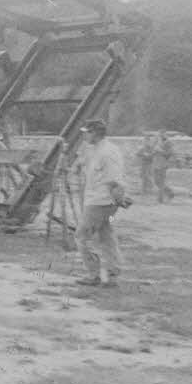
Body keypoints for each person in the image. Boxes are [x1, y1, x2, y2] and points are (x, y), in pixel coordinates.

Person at [73, 119, 129, 287]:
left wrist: (119, 200)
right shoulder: (96, 149)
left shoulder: (107, 152)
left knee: (82, 236)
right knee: (106, 235)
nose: (84, 136)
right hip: (100, 201)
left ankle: (94, 274)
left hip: (101, 203)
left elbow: (114, 180)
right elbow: (84, 162)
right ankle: (112, 272)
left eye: (87, 133)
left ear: (95, 133)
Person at [151, 131, 175, 202]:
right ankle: (170, 192)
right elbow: (153, 152)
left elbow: (169, 154)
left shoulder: (169, 143)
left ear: (165, 135)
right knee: (156, 181)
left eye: (162, 134)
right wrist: (154, 151)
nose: (160, 136)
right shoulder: (156, 143)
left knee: (161, 181)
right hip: (156, 164)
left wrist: (160, 150)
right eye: (159, 135)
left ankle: (160, 198)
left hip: (163, 165)